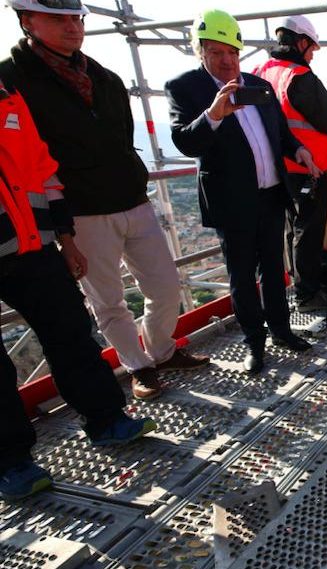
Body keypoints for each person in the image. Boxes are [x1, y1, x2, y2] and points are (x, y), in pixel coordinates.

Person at [0, 0, 209, 401]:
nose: (72, 27)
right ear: (27, 20)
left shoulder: (102, 77)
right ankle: (139, 365)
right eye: (57, 18)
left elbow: (121, 139)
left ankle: (161, 350)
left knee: (165, 286)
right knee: (108, 300)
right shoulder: (13, 82)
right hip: (81, 212)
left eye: (75, 18)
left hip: (132, 199)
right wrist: (63, 231)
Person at [0, 75, 157, 500]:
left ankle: (106, 419)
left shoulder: (7, 94)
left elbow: (41, 170)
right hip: (22, 242)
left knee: (72, 333)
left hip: (33, 244)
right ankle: (12, 461)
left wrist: (65, 238)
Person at [165, 9, 318, 374]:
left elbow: (279, 132)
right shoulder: (185, 88)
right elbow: (185, 142)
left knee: (274, 269)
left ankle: (281, 330)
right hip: (232, 203)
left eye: (232, 52)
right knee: (242, 276)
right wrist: (214, 115)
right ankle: (255, 344)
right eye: (217, 52)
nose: (226, 60)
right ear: (200, 51)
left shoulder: (259, 85)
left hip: (270, 195)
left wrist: (297, 149)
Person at [253, 15, 327, 314]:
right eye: (311, 48)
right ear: (300, 42)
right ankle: (307, 296)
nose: (311, 55)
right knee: (308, 229)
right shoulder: (299, 77)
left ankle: (297, 288)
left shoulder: (260, 72)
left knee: (291, 230)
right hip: (308, 166)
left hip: (274, 168)